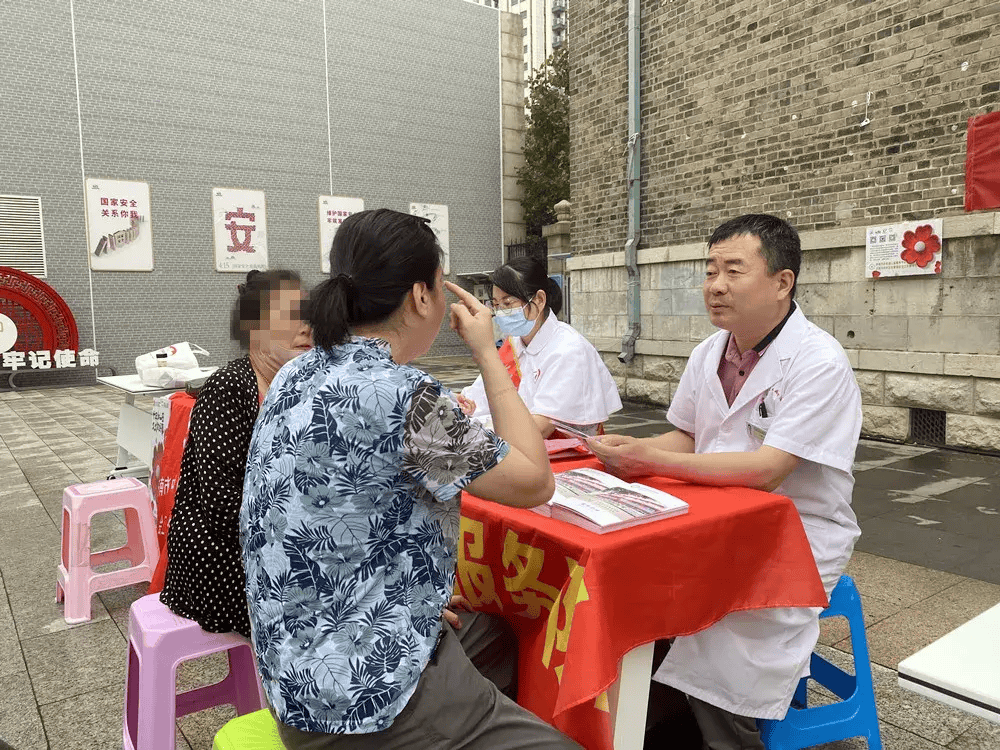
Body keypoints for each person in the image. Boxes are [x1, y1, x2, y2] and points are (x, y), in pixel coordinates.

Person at [239, 209, 581, 749]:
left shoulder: (295, 373)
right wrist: (489, 352)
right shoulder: (400, 396)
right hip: (364, 699)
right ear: (423, 296)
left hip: (292, 676)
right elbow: (536, 480)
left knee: (493, 634)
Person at [589, 214, 863, 750]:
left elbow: (767, 470)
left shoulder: (818, 363)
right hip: (711, 516)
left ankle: (727, 735)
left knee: (719, 642)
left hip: (793, 535)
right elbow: (687, 438)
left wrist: (651, 460)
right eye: (710, 270)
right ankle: (652, 721)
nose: (715, 285)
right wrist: (628, 452)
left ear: (782, 282)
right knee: (634, 590)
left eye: (733, 270)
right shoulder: (708, 353)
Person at [159, 269, 312, 638]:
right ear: (255, 328)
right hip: (221, 557)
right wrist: (302, 544)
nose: (307, 327)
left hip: (277, 540)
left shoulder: (304, 383)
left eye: (310, 315)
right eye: (292, 316)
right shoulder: (229, 387)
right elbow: (223, 505)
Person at [458, 255, 622, 438]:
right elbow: (474, 399)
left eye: (508, 303)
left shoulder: (569, 350)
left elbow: (539, 427)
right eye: (496, 305)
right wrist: (458, 403)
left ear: (539, 299)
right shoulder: (512, 344)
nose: (501, 312)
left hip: (563, 456)